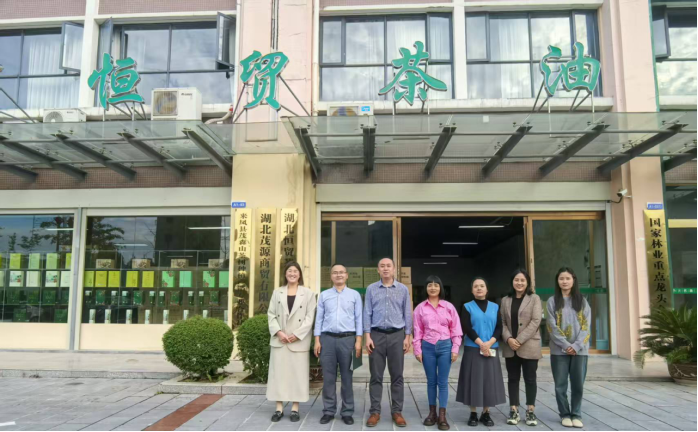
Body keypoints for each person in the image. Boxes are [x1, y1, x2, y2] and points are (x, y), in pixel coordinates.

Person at [364, 258, 413, 428]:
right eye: (382, 266)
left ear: (394, 269)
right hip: (376, 335)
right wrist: (367, 336)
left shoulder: (403, 289)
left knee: (397, 375)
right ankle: (375, 412)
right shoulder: (371, 289)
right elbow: (367, 313)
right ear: (378, 270)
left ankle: (397, 412)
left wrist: (407, 336)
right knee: (376, 376)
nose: (385, 269)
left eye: (388, 266)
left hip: (396, 336)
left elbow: (407, 313)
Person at [267, 262, 317, 423]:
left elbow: (310, 317)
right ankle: (279, 408)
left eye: (295, 271)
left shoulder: (308, 293)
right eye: (289, 271)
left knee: (298, 375)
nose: (292, 273)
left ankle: (295, 408)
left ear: (300, 274)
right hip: (280, 340)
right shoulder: (277, 292)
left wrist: (297, 334)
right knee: (278, 375)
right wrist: (279, 332)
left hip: (298, 341)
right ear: (285, 274)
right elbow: (271, 314)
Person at [314, 264, 363, 426]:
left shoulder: (354, 295)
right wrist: (317, 340)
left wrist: (358, 341)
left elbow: (359, 319)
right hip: (327, 339)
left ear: (347, 275)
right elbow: (319, 319)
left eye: (341, 272)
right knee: (328, 378)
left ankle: (347, 411)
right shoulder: (324, 295)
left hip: (348, 340)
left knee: (347, 377)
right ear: (331, 276)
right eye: (335, 272)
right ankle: (328, 411)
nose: (338, 275)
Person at [413, 276, 462, 431]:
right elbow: (417, 330)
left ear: (441, 288)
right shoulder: (420, 308)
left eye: (436, 285)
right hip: (427, 347)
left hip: (445, 346)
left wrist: (455, 348)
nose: (433, 288)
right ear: (426, 288)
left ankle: (442, 415)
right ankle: (432, 413)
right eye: (429, 285)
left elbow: (456, 329)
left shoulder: (449, 307)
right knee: (431, 381)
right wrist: (417, 349)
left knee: (443, 382)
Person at [456, 277, 506, 428]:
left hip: (491, 347)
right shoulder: (467, 306)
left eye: (482, 286)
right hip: (473, 348)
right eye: (476, 286)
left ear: (486, 289)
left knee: (489, 380)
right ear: (472, 290)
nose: (479, 288)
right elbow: (466, 327)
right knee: (473, 379)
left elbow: (499, 327)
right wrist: (480, 343)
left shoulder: (495, 307)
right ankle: (473, 412)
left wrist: (489, 342)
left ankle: (486, 412)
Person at [547, 267, 591, 429]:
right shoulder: (552, 301)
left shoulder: (582, 301)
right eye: (561, 278)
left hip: (580, 351)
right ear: (557, 281)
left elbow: (586, 326)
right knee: (560, 385)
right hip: (559, 351)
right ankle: (565, 414)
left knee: (578, 384)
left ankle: (576, 414)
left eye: (567, 278)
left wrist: (576, 346)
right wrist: (566, 346)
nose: (564, 281)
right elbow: (551, 327)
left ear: (573, 280)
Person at [501, 269, 542, 427]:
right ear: (512, 282)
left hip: (529, 345)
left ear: (527, 282)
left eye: (522, 280)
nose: (519, 283)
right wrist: (509, 339)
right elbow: (502, 322)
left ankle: (530, 411)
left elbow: (536, 321)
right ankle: (514, 410)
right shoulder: (505, 300)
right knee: (512, 378)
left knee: (530, 379)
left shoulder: (534, 298)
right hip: (510, 346)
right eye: (516, 280)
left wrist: (518, 340)